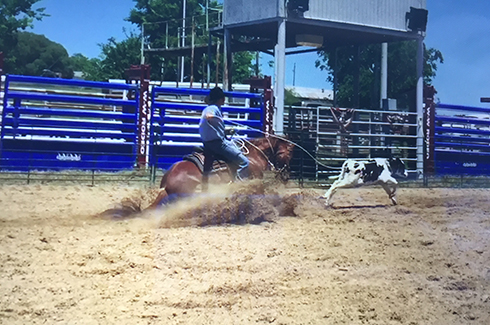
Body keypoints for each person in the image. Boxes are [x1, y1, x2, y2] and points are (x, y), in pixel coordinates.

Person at [199, 87, 249, 182]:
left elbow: (212, 127)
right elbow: (208, 115)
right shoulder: (212, 108)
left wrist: (226, 131)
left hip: (208, 143)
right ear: (221, 99)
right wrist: (216, 117)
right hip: (218, 144)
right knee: (244, 162)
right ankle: (240, 186)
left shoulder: (211, 108)